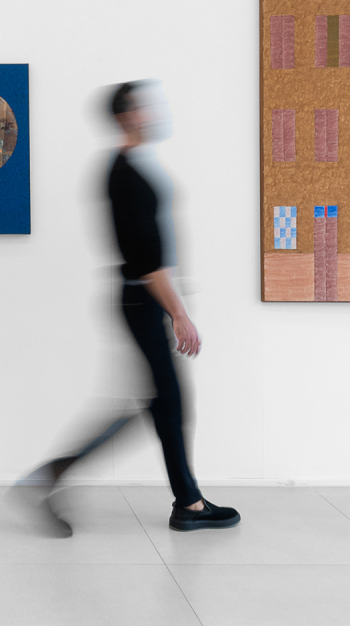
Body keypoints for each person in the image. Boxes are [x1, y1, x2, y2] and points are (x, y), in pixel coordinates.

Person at [20, 80, 239, 535]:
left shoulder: (127, 169)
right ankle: (182, 502)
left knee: (162, 403)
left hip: (142, 297)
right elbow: (145, 260)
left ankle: (187, 501)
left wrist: (173, 301)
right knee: (166, 401)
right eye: (142, 108)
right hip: (141, 298)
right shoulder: (126, 175)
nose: (151, 113)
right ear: (125, 117)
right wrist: (179, 313)